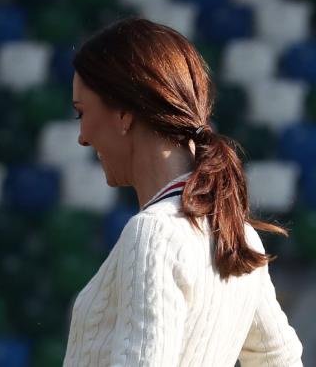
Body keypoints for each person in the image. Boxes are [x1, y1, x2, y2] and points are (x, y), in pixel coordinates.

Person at [63, 18, 303, 366]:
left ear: (124, 113)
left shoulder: (154, 232)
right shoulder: (239, 235)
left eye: (81, 113)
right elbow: (279, 358)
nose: (82, 136)